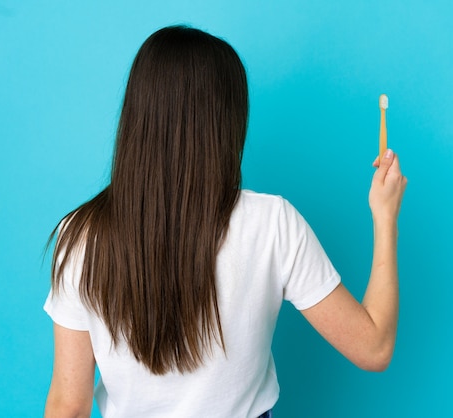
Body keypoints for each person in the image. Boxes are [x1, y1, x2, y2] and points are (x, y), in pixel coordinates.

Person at [43, 25, 407, 418]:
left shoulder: (79, 236)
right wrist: (385, 217)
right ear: (225, 122)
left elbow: (68, 406)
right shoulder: (272, 223)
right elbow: (374, 348)